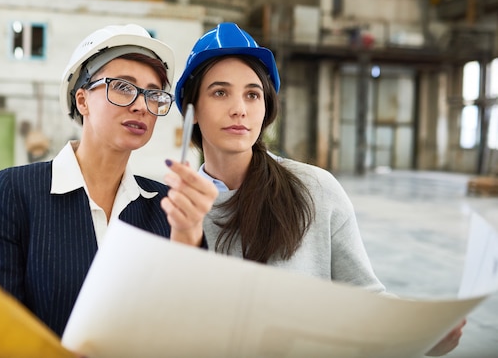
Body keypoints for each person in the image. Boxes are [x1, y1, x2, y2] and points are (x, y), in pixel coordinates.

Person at [173, 22, 466, 356]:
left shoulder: (315, 190)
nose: (240, 108)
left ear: (266, 108)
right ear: (191, 111)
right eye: (220, 92)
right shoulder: (174, 211)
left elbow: (363, 295)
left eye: (252, 94)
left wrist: (421, 332)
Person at [0, 24, 218, 338]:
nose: (141, 105)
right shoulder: (16, 192)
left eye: (153, 94)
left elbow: (189, 326)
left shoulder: (166, 206)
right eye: (123, 87)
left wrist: (187, 235)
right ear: (83, 100)